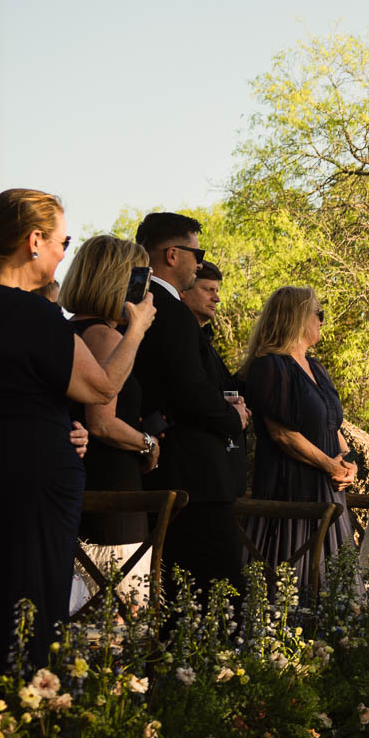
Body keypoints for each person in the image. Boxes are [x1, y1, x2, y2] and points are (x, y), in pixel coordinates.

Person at [0, 189, 155, 691]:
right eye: (62, 240)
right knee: (30, 607)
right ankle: (22, 722)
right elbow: (102, 387)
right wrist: (136, 329)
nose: (63, 253)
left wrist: (60, 425)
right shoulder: (32, 315)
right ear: (34, 242)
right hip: (32, 488)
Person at [133, 212, 250, 601]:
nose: (199, 263)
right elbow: (188, 390)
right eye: (196, 253)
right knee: (211, 592)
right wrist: (232, 418)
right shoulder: (170, 313)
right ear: (171, 254)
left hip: (175, 469)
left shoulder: (145, 304)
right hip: (192, 476)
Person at [60, 235, 163, 610]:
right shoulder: (103, 336)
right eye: (139, 281)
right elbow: (102, 420)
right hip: (112, 491)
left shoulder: (68, 331)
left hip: (87, 486)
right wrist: (148, 443)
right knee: (119, 617)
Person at [238, 286, 356, 591]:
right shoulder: (270, 366)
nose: (321, 320)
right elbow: (282, 434)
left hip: (328, 491)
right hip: (291, 490)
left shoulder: (317, 367)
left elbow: (333, 425)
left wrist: (348, 463)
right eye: (318, 313)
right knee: (289, 585)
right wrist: (330, 466)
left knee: (336, 588)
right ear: (296, 317)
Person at [182, 259, 248, 496]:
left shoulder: (205, 342)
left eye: (217, 291)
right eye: (208, 290)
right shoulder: (182, 339)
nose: (216, 298)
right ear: (184, 290)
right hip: (196, 474)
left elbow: (224, 388)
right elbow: (194, 395)